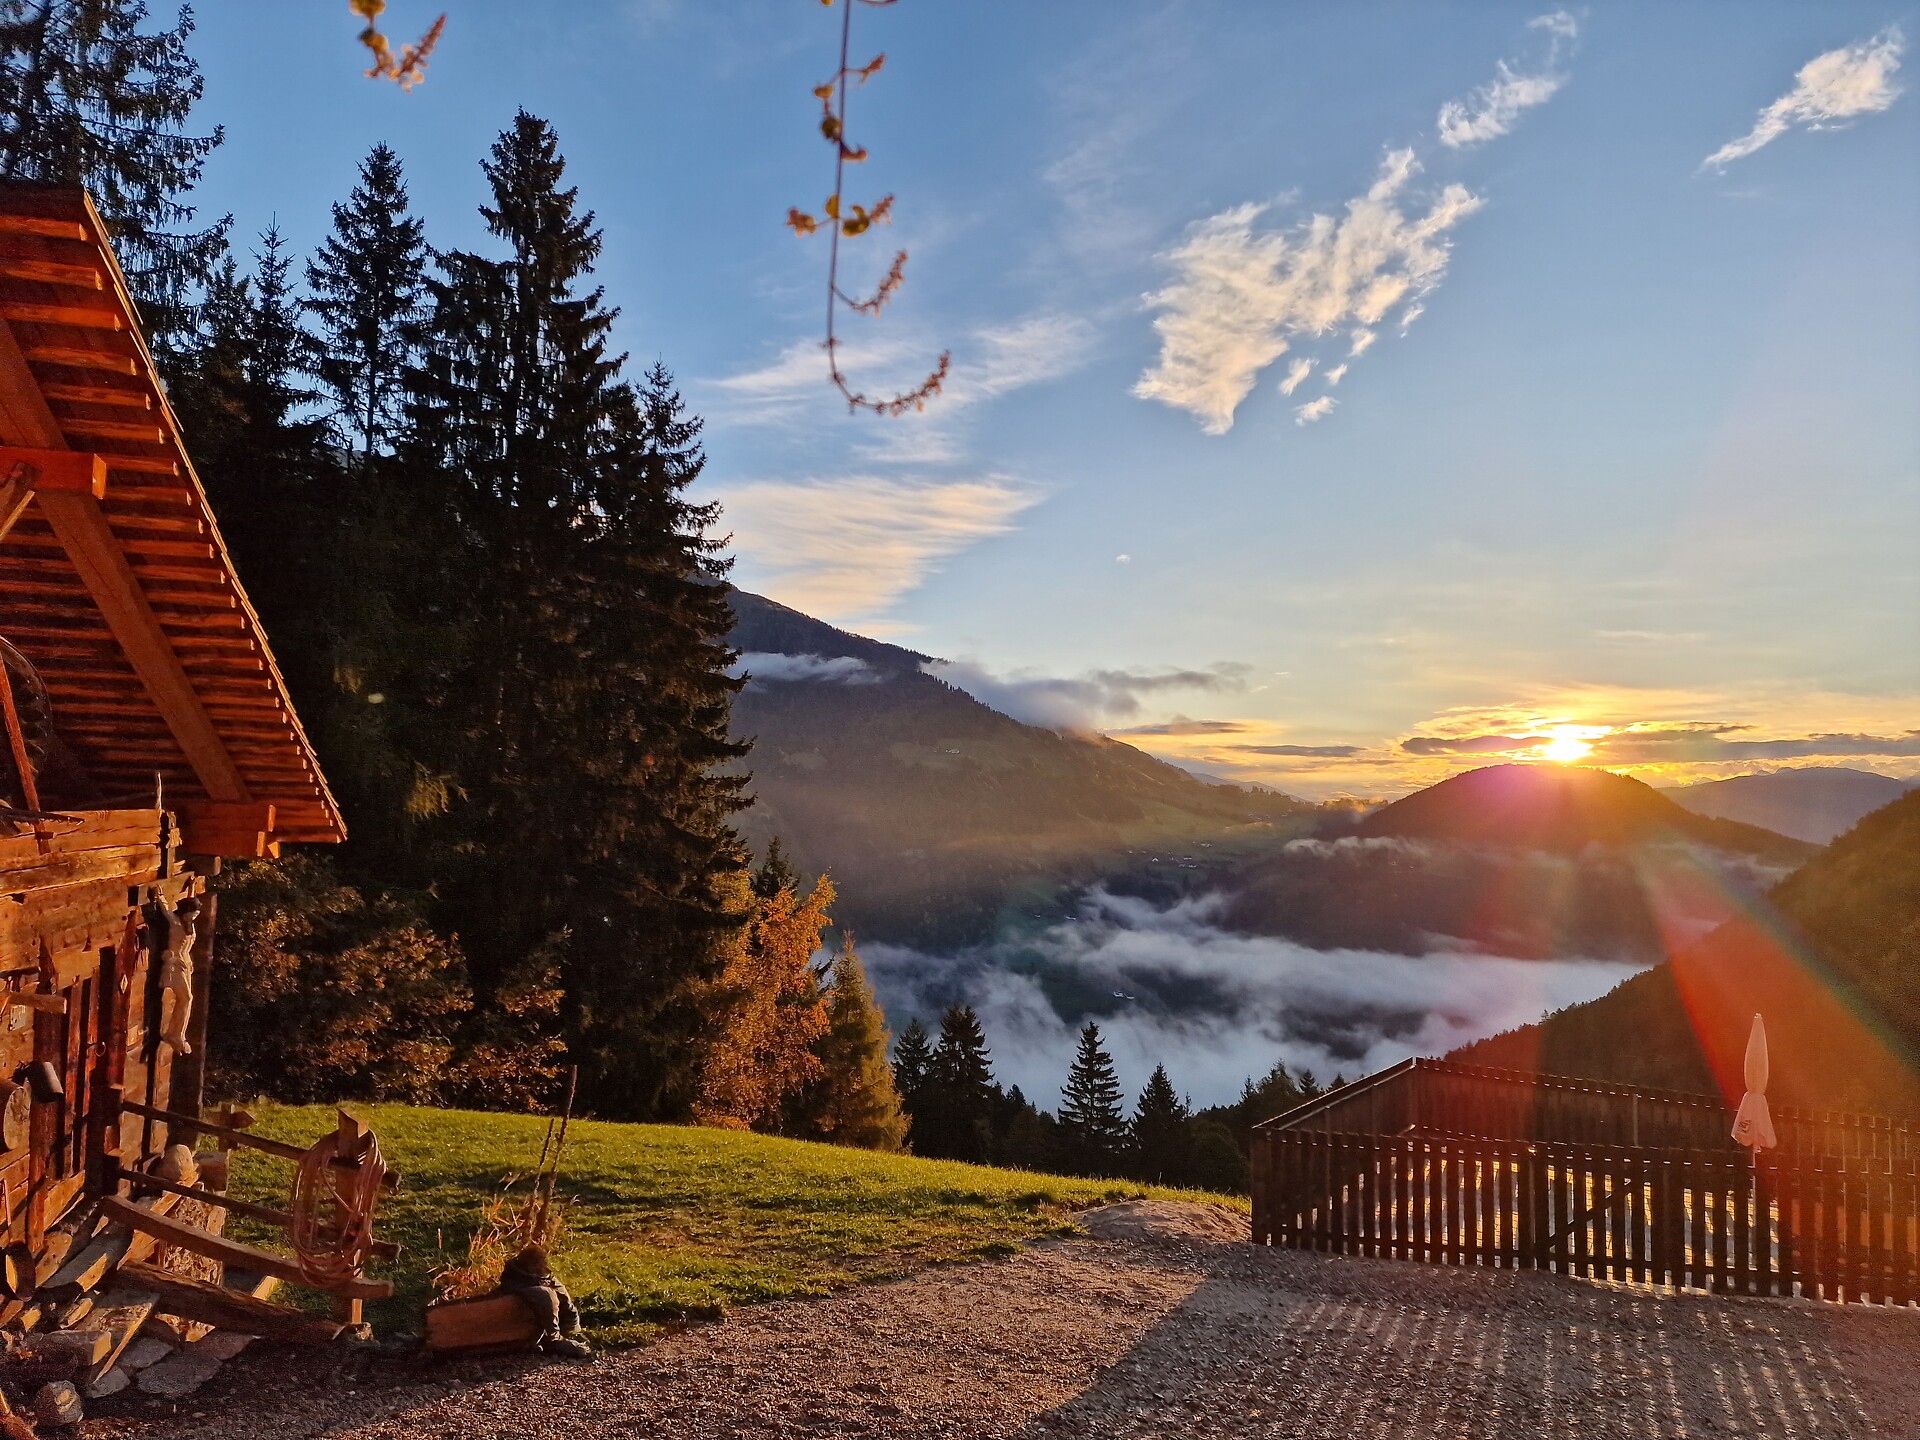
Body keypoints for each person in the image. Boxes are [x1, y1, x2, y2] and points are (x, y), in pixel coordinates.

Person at [496, 1245, 590, 1358]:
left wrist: (573, 1332)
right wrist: (555, 1338)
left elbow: (570, 1312)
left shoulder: (549, 1282)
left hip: (555, 1327)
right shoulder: (538, 1291)